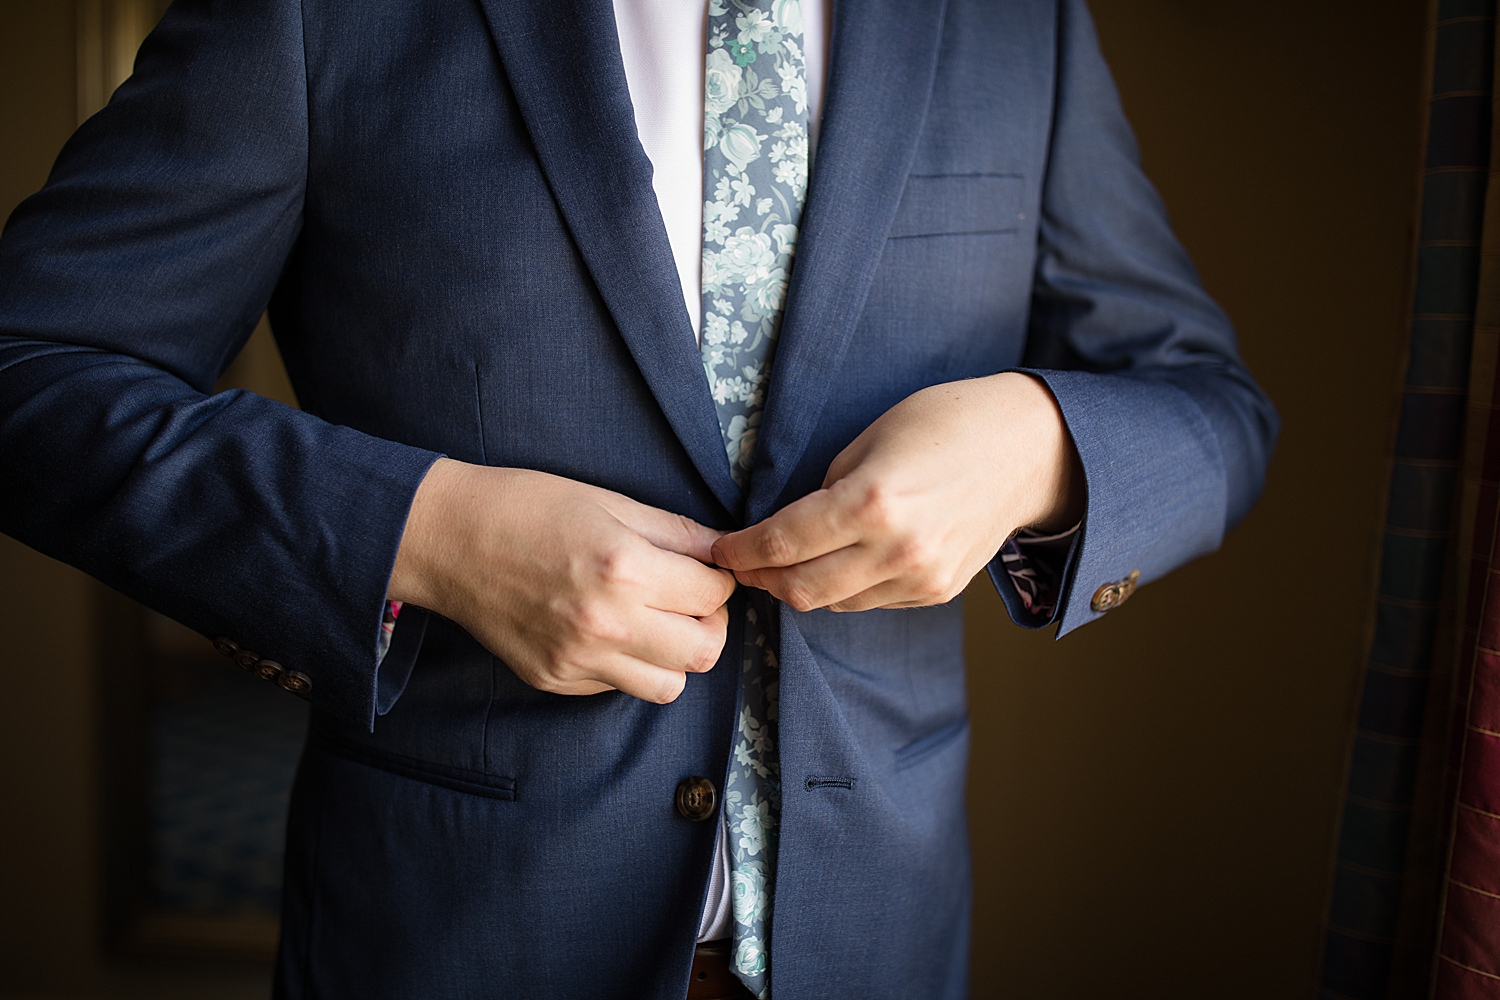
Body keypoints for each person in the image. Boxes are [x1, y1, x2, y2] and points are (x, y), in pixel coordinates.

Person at [0, 0, 1276, 997]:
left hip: (880, 944)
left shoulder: (1018, 21)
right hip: (459, 944)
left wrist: (1035, 445)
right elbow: (32, 371)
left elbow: (1210, 405)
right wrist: (425, 532)